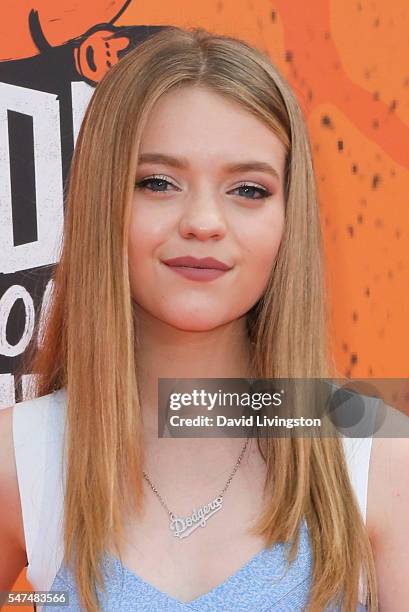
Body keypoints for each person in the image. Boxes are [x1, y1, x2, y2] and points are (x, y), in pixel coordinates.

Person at [0, 25, 408, 612]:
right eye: (158, 183)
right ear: (102, 200)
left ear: (289, 219)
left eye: (248, 189)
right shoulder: (24, 456)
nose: (204, 222)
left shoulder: (377, 456)